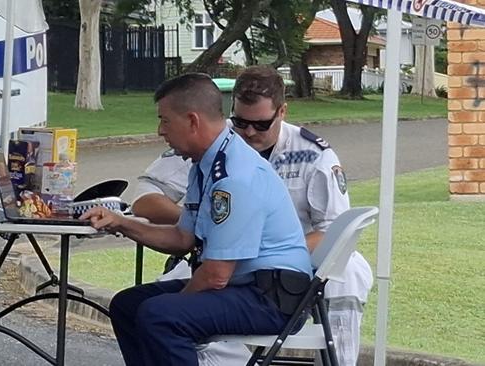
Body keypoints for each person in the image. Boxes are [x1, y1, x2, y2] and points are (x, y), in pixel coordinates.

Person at [133, 66, 373, 366]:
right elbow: (145, 198)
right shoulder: (207, 149)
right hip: (224, 261)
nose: (247, 132)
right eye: (240, 122)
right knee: (136, 305)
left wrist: (265, 247)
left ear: (282, 111)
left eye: (260, 125)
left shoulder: (311, 154)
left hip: (278, 273)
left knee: (349, 273)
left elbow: (331, 229)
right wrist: (209, 224)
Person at [80, 73, 313, 366]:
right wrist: (121, 222)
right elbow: (182, 240)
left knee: (160, 315)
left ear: (192, 121)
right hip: (248, 287)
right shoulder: (208, 165)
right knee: (128, 305)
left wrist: (175, 305)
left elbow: (216, 275)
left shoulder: (234, 177)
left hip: (270, 299)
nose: (159, 130)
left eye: (165, 120)